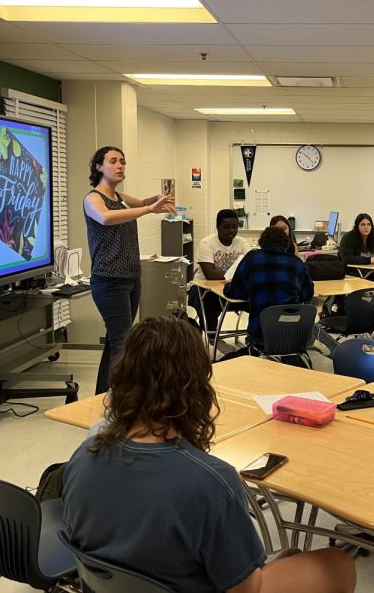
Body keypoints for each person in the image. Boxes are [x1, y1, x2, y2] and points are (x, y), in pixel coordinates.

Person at [62, 317, 356, 593]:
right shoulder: (210, 482)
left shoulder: (85, 454)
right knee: (339, 564)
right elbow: (245, 587)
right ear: (196, 388)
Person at [83, 145, 176, 394]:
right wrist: (148, 209)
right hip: (109, 280)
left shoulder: (121, 198)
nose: (120, 165)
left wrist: (155, 200)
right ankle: (122, 403)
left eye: (123, 161)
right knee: (123, 344)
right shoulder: (93, 198)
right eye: (113, 161)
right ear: (98, 167)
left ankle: (103, 396)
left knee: (117, 341)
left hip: (131, 278)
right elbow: (106, 218)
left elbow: (145, 202)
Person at [224, 226, 314, 357]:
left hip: (261, 335)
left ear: (262, 243)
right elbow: (308, 293)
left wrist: (228, 286)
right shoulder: (296, 263)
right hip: (294, 335)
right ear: (286, 244)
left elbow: (234, 292)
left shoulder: (252, 258)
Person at [192, 209, 251, 335]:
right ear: (217, 227)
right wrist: (238, 275)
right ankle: (212, 336)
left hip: (230, 288)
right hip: (204, 289)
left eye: (235, 227)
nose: (231, 231)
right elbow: (210, 274)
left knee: (256, 300)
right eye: (226, 227)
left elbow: (250, 266)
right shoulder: (207, 243)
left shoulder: (242, 242)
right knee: (209, 303)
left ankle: (253, 336)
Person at [338, 213, 374, 285]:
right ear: (357, 226)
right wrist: (371, 260)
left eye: (369, 224)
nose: (366, 227)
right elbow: (347, 258)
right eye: (363, 224)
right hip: (355, 273)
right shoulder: (349, 237)